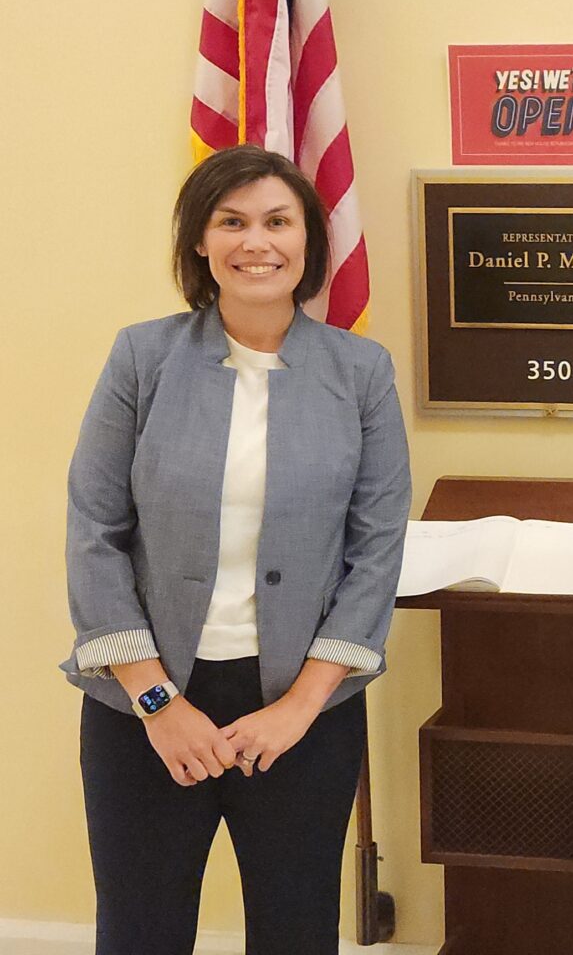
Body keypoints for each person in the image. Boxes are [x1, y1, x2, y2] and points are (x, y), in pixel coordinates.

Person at [62, 145, 411, 955]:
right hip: (143, 708)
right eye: (233, 222)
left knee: (295, 933)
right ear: (200, 242)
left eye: (278, 222)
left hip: (302, 713)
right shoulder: (141, 358)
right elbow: (94, 533)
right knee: (140, 932)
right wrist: (159, 705)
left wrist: (298, 709)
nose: (258, 242)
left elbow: (376, 549)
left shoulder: (361, 372)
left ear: (308, 242)